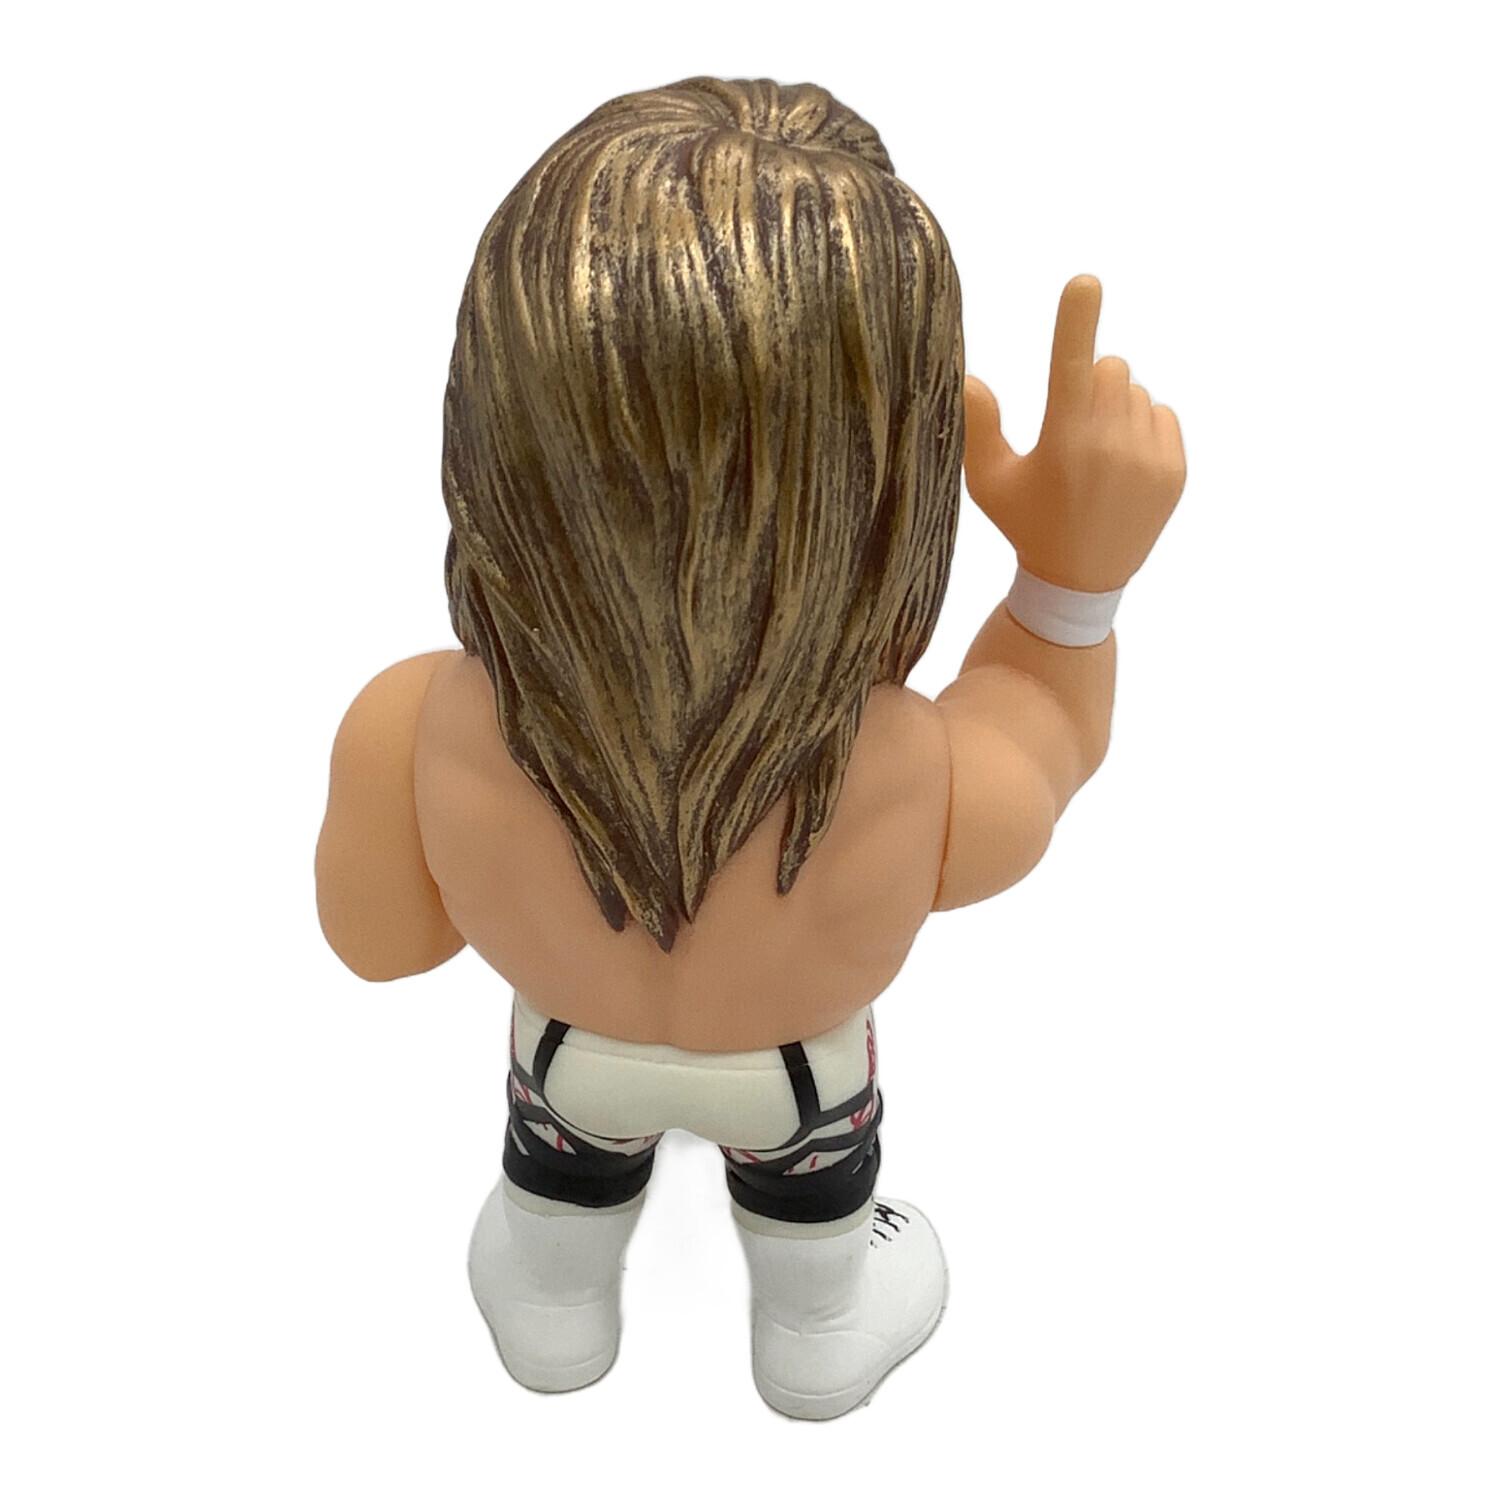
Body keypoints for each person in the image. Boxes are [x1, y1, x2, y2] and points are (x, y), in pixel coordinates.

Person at [314, 76, 1185, 1419]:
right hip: (796, 1080)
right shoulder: (912, 773)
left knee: (552, 1195)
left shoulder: (419, 725)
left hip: (564, 1060)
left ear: (494, 424)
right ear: (887, 476)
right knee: (817, 1230)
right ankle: (817, 1332)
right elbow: (1051, 726)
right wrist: (1074, 583)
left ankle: (550, 1303)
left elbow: (376, 945)